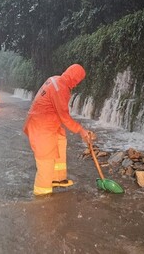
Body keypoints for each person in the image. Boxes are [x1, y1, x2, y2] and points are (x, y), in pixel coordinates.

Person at [23, 64, 91, 196]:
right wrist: (81, 131)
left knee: (60, 140)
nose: (76, 84)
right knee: (46, 162)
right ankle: (42, 196)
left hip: (46, 122)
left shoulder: (56, 79)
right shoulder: (61, 89)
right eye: (77, 81)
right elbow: (64, 117)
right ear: (74, 78)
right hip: (41, 127)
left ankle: (57, 179)